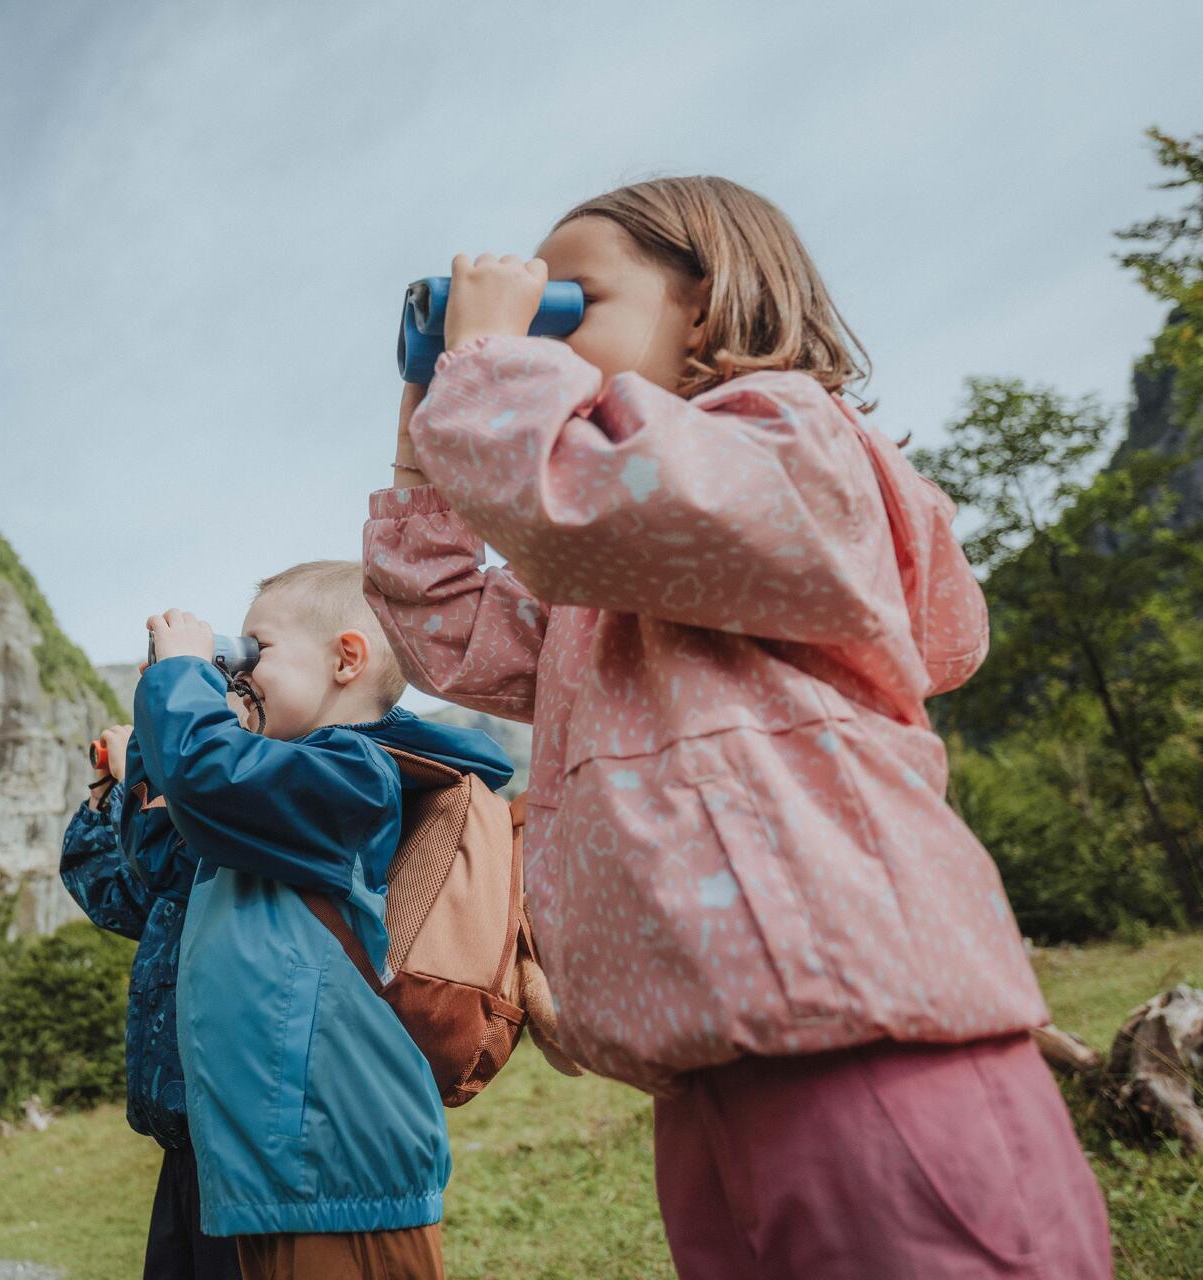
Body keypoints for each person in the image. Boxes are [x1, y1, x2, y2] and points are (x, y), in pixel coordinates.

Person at [362, 176, 1113, 1278]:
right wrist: (429, 440)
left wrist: (485, 367)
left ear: (706, 310)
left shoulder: (788, 438)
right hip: (701, 1065)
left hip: (863, 1031)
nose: (535, 341)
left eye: (567, 304)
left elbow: (586, 500)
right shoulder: (611, 585)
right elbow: (445, 621)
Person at [128, 560, 512, 1280]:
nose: (239, 674)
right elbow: (161, 854)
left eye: (256, 651)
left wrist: (185, 677)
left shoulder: (354, 777)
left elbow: (207, 779)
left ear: (347, 658)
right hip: (278, 1171)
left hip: (338, 1171)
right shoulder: (273, 801)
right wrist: (158, 710)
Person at [59, 725, 239, 1279]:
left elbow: (174, 858)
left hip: (233, 1143)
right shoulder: (172, 878)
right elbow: (108, 892)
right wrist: (102, 793)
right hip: (178, 1136)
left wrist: (149, 770)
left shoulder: (228, 836)